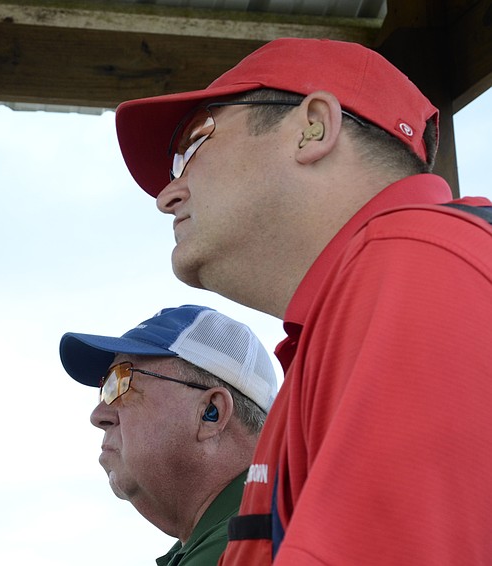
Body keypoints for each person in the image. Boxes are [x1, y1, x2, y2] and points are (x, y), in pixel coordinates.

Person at [113, 37, 492, 564]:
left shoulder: (419, 264)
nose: (167, 195)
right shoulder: (360, 305)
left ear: (312, 127)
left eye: (194, 144)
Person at [60, 304, 278, 565]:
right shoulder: (235, 532)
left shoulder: (247, 546)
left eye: (122, 381)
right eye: (105, 387)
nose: (98, 416)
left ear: (211, 413)